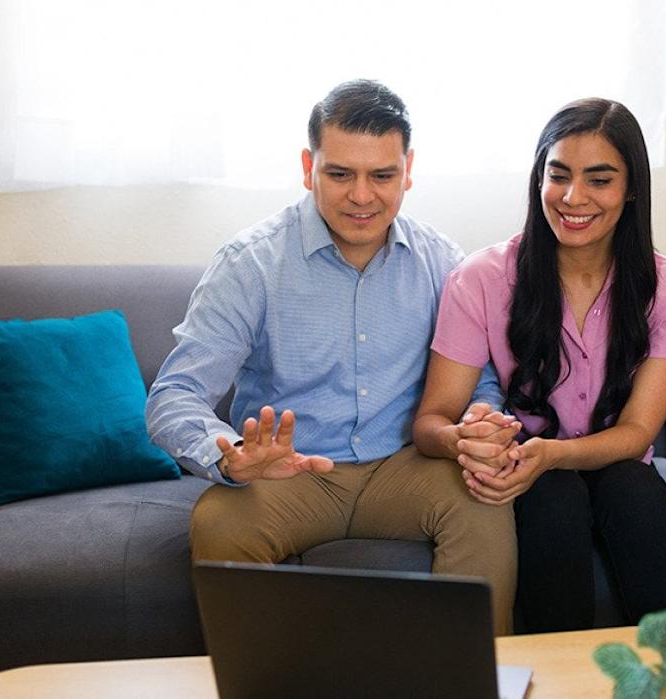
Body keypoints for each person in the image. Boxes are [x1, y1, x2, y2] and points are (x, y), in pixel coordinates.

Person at [146, 79, 519, 634]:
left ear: (408, 170)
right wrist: (227, 454)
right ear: (308, 166)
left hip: (405, 468)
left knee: (484, 501)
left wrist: (479, 424)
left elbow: (481, 381)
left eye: (382, 175)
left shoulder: (443, 264)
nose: (362, 196)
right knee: (219, 525)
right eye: (340, 173)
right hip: (290, 473)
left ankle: (474, 682)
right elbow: (174, 395)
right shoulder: (250, 264)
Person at [413, 98, 666, 632]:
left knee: (633, 489)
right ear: (538, 179)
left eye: (599, 180)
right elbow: (432, 420)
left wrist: (555, 454)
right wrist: (465, 439)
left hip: (616, 465)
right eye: (559, 175)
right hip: (531, 472)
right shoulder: (481, 278)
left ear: (631, 188)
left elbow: (639, 432)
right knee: (552, 494)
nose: (574, 198)